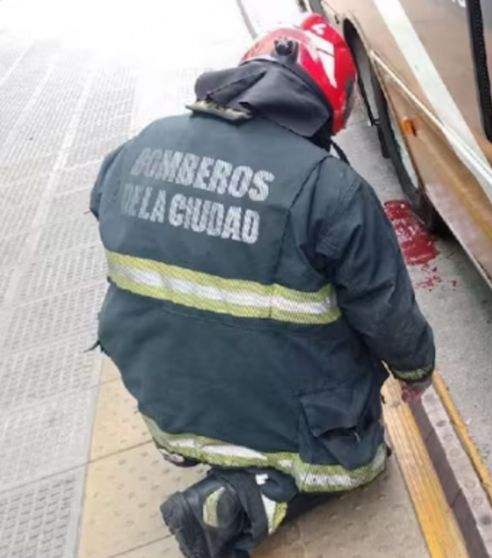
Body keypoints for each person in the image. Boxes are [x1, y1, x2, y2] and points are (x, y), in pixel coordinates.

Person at [89, 14, 435, 558]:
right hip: (280, 411)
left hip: (166, 409)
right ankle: (242, 499)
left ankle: (208, 447)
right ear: (328, 107)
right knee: (363, 463)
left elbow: (105, 212)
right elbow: (385, 310)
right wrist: (416, 371)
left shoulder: (141, 145)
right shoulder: (329, 189)